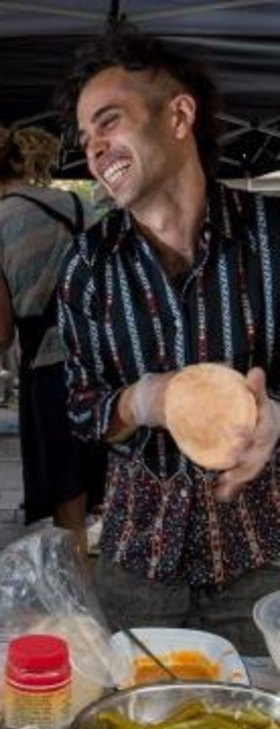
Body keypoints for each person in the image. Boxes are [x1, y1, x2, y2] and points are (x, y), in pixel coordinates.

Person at [57, 28, 280, 654]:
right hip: (137, 556)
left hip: (261, 553)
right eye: (85, 139)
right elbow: (79, 405)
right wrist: (141, 401)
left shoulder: (271, 237)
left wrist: (276, 421)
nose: (95, 150)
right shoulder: (88, 264)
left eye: (109, 123)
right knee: (137, 725)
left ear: (179, 115)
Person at [0, 127, 107, 553]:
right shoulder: (80, 207)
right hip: (106, 362)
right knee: (108, 486)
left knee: (69, 503)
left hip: (52, 372)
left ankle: (78, 603)